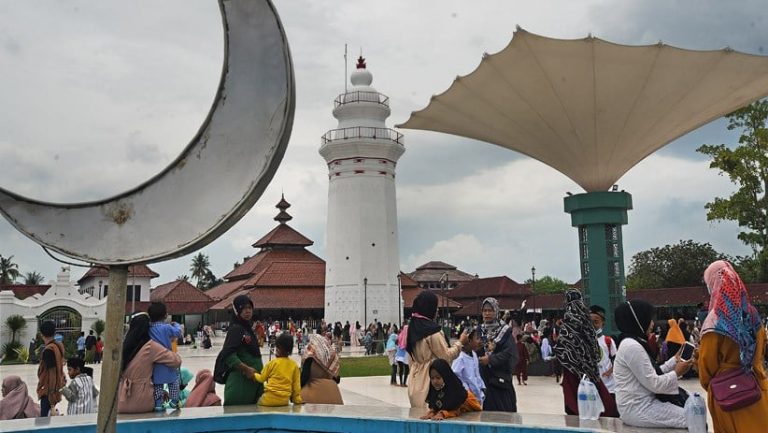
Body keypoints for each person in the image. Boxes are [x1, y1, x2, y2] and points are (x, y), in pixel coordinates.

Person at [698, 260, 768, 433]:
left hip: (727, 397)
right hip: (756, 387)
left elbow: (707, 369)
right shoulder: (752, 315)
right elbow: (760, 350)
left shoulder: (714, 322)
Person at [613, 300, 692, 428]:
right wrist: (677, 372)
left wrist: (674, 360)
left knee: (692, 403)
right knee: (693, 417)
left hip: (642, 403)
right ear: (638, 320)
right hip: (638, 407)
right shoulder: (632, 346)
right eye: (649, 319)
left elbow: (651, 373)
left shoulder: (634, 342)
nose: (652, 324)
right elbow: (654, 384)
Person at [553, 290, 618, 418]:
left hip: (572, 375)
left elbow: (561, 352)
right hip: (592, 375)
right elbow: (594, 353)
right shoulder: (587, 325)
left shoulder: (567, 326)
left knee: (577, 409)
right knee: (601, 409)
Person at [406, 291, 468, 407]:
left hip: (415, 382)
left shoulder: (411, 329)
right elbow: (446, 357)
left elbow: (410, 360)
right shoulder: (432, 331)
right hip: (432, 381)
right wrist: (460, 342)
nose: (437, 310)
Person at [118, 312, 182, 413]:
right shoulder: (150, 347)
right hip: (142, 402)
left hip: (121, 400)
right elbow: (176, 361)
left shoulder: (124, 346)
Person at [219, 295, 264, 405]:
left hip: (253, 383)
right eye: (243, 308)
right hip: (240, 384)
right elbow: (228, 354)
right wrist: (246, 369)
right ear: (237, 310)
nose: (247, 311)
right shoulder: (236, 329)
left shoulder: (246, 328)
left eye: (249, 307)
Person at [476, 297, 517, 412]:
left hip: (500, 378)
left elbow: (509, 353)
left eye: (490, 310)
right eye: (485, 310)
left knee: (503, 411)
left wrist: (490, 359)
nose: (487, 313)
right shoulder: (479, 330)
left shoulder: (505, 331)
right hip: (483, 377)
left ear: (496, 311)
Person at [148, 302, 183, 411]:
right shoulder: (167, 327)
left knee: (158, 384)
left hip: (156, 361)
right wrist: (176, 324)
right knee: (173, 381)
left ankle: (158, 404)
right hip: (168, 361)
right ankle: (174, 401)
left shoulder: (149, 328)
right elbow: (178, 332)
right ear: (165, 315)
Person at [252, 332, 303, 406]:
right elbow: (296, 386)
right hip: (284, 401)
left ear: (278, 348)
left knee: (257, 402)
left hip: (268, 400)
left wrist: (253, 374)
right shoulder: (294, 365)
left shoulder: (272, 363)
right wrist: (297, 400)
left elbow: (261, 378)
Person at [300, 333, 343, 404]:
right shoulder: (330, 356)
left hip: (312, 398)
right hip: (333, 395)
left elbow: (304, 378)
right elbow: (337, 379)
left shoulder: (310, 357)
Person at [37, 320, 65, 416]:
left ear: (42, 334)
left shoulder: (48, 350)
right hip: (56, 386)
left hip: (48, 390)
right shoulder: (58, 346)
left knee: (44, 420)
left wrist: (51, 394)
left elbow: (52, 372)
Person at [452, 327, 485, 405]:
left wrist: (482, 387)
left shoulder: (474, 354)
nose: (478, 341)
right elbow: (456, 377)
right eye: (476, 338)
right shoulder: (460, 357)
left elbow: (477, 374)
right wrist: (467, 391)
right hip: (467, 398)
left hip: (478, 396)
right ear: (469, 341)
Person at [590, 305, 617, 396]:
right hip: (591, 389)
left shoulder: (608, 341)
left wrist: (609, 372)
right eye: (589, 322)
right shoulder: (583, 342)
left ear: (603, 323)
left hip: (609, 388)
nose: (592, 325)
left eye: (596, 322)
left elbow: (617, 361)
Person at [395, 321, 410, 387]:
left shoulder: (400, 334)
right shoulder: (407, 336)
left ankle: (401, 382)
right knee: (406, 368)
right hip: (404, 355)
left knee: (401, 369)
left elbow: (397, 342)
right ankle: (404, 382)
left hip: (399, 354)